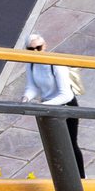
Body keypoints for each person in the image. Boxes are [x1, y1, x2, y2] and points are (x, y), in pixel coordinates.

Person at [21, 34, 86, 176]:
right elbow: (33, 86)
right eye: (31, 49)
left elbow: (66, 94)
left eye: (39, 48)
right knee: (55, 146)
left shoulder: (55, 64)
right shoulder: (31, 65)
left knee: (69, 144)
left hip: (66, 107)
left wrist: (45, 104)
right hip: (48, 108)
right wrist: (26, 97)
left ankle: (81, 177)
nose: (36, 52)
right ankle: (64, 177)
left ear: (45, 46)